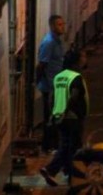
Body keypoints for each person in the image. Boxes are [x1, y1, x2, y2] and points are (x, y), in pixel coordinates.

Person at [40, 48, 89, 187]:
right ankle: (52, 169)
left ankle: (69, 174)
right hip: (71, 117)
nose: (85, 59)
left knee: (66, 145)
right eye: (83, 56)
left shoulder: (59, 76)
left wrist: (53, 115)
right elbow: (73, 97)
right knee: (72, 146)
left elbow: (52, 98)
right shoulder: (76, 77)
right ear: (76, 61)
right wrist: (67, 111)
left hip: (59, 116)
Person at [36, 14, 66, 153]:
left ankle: (53, 144)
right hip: (49, 85)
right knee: (50, 117)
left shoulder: (57, 41)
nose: (62, 27)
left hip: (56, 84)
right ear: (53, 26)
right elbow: (42, 64)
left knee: (56, 115)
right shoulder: (49, 43)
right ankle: (47, 146)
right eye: (59, 25)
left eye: (63, 24)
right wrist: (38, 82)